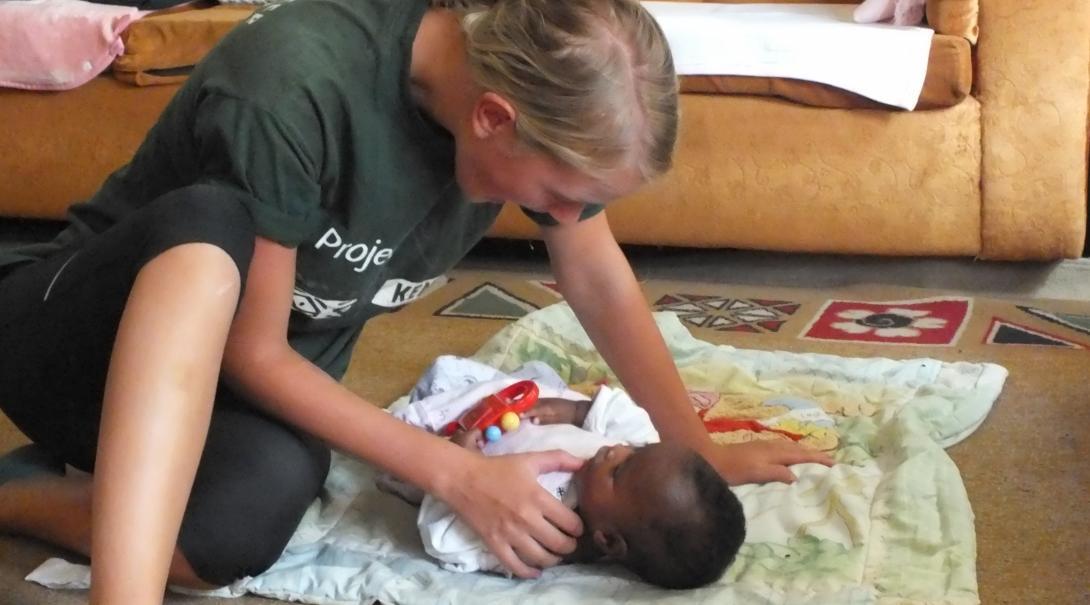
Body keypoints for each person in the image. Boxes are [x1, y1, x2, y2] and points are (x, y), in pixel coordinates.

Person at [0, 0, 831, 602]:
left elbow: (599, 277)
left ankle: (15, 496)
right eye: (564, 193)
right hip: (70, 342)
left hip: (227, 384)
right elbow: (255, 350)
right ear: (495, 116)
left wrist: (690, 450)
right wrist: (456, 472)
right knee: (214, 220)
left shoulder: (509, 119)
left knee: (241, 530)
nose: (567, 217)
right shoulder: (295, 82)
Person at [380, 357, 746, 589]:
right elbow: (625, 417)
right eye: (638, 450)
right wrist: (575, 411)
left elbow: (447, 541)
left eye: (618, 470)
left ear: (607, 541)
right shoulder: (639, 461)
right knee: (533, 375)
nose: (617, 448)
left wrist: (457, 461)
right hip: (509, 403)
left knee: (398, 437)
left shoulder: (540, 538)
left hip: (443, 440)